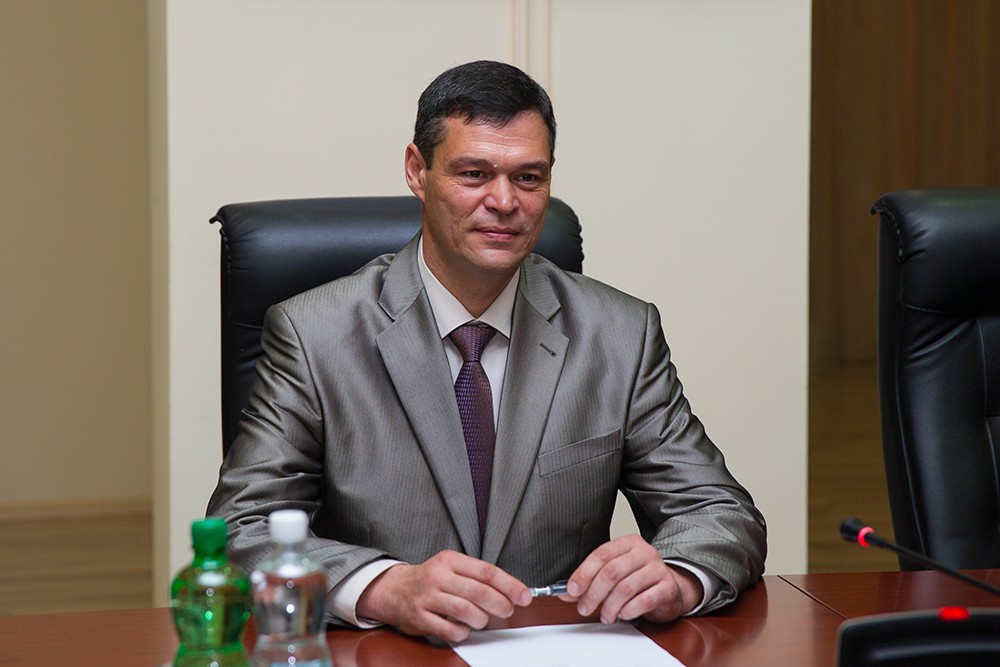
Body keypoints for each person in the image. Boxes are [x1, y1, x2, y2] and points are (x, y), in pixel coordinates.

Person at [207, 59, 766, 643]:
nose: (504, 201)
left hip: (555, 649)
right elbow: (242, 529)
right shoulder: (314, 334)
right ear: (417, 171)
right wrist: (384, 587)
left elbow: (721, 514)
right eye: (474, 174)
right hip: (389, 651)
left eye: (528, 178)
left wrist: (677, 576)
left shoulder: (619, 334)